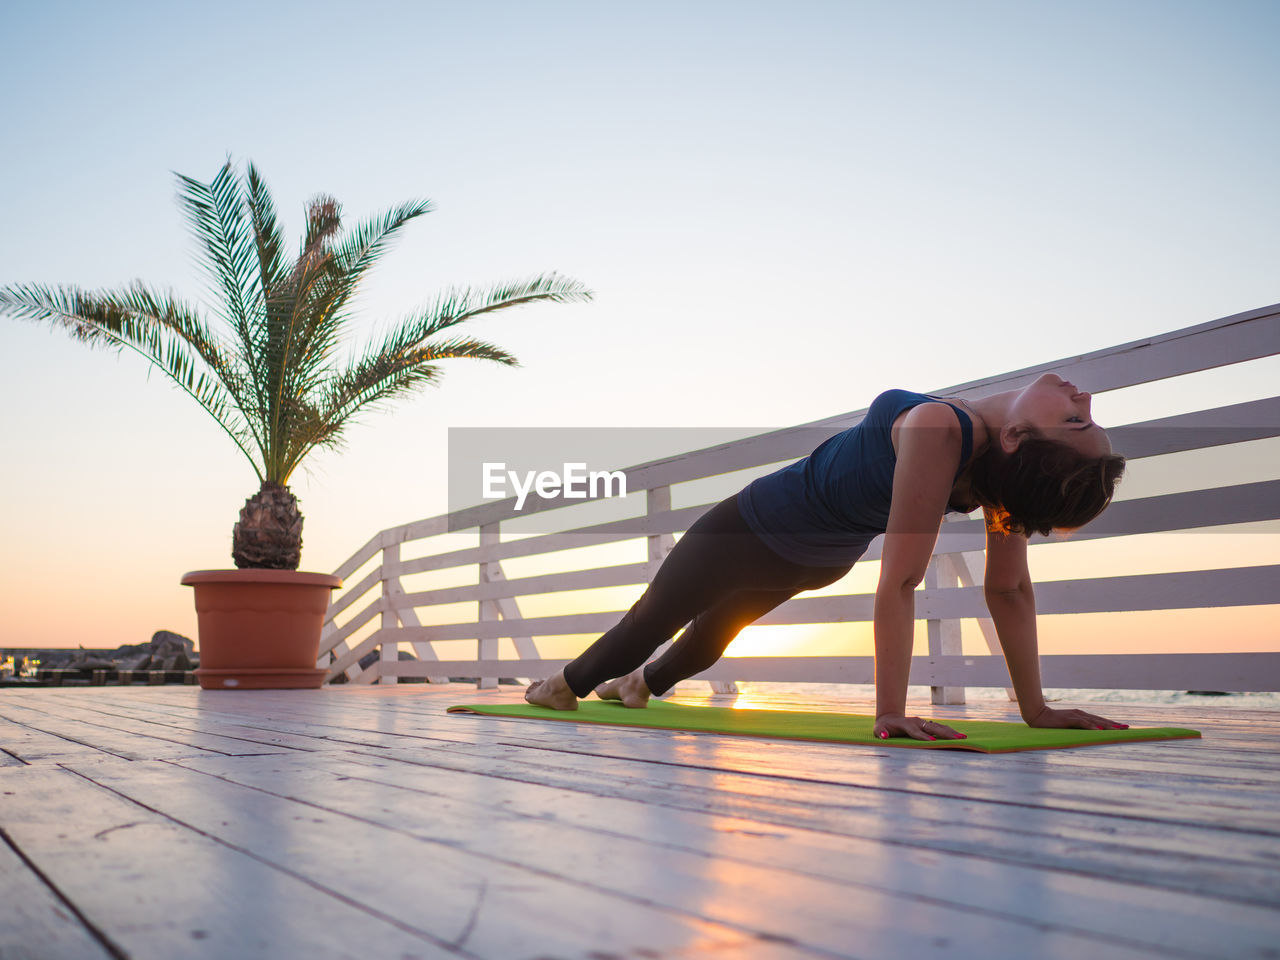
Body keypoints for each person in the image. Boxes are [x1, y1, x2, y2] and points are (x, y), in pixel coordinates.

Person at [525, 373, 1129, 741]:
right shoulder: (992, 469)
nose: (1084, 398)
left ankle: (560, 686)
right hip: (817, 558)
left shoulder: (943, 430)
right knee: (715, 632)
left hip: (751, 528)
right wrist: (1035, 709)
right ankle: (638, 684)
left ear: (1017, 437)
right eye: (1085, 418)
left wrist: (889, 712)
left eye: (1077, 420)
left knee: (653, 616)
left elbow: (904, 582)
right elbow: (1008, 591)